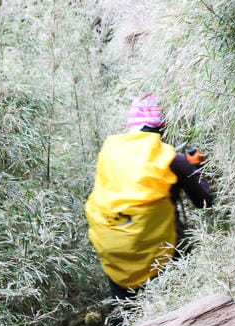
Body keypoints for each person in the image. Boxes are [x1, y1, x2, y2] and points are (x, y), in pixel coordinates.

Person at [85, 93, 213, 301]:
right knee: (174, 294)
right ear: (162, 127)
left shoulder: (110, 152)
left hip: (111, 246)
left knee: (125, 308)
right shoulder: (170, 158)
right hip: (155, 252)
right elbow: (204, 201)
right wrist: (196, 166)